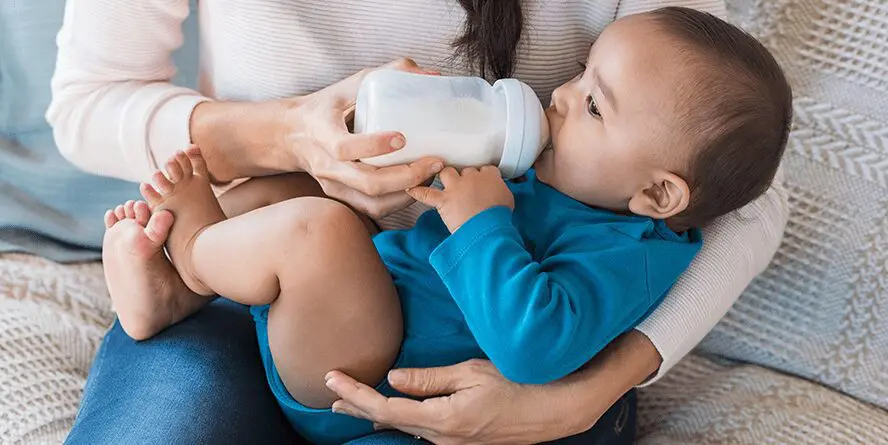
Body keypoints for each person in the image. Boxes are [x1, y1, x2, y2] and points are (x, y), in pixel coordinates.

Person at [48, 1, 789, 444]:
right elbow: (88, 102)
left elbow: (740, 189)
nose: (558, 97)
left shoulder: (607, 217)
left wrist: (584, 394)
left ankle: (193, 259)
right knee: (288, 200)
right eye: (578, 74)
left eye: (592, 100)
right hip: (302, 299)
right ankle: (185, 276)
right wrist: (288, 131)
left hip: (420, 364)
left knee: (314, 232)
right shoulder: (557, 178)